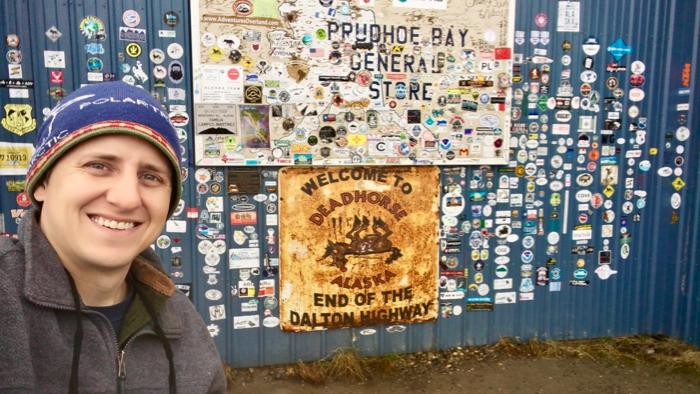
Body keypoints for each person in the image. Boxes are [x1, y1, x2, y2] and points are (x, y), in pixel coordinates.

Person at [0, 81, 226, 393]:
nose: (127, 198)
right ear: (42, 182)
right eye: (99, 166)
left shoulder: (181, 321)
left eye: (150, 176)